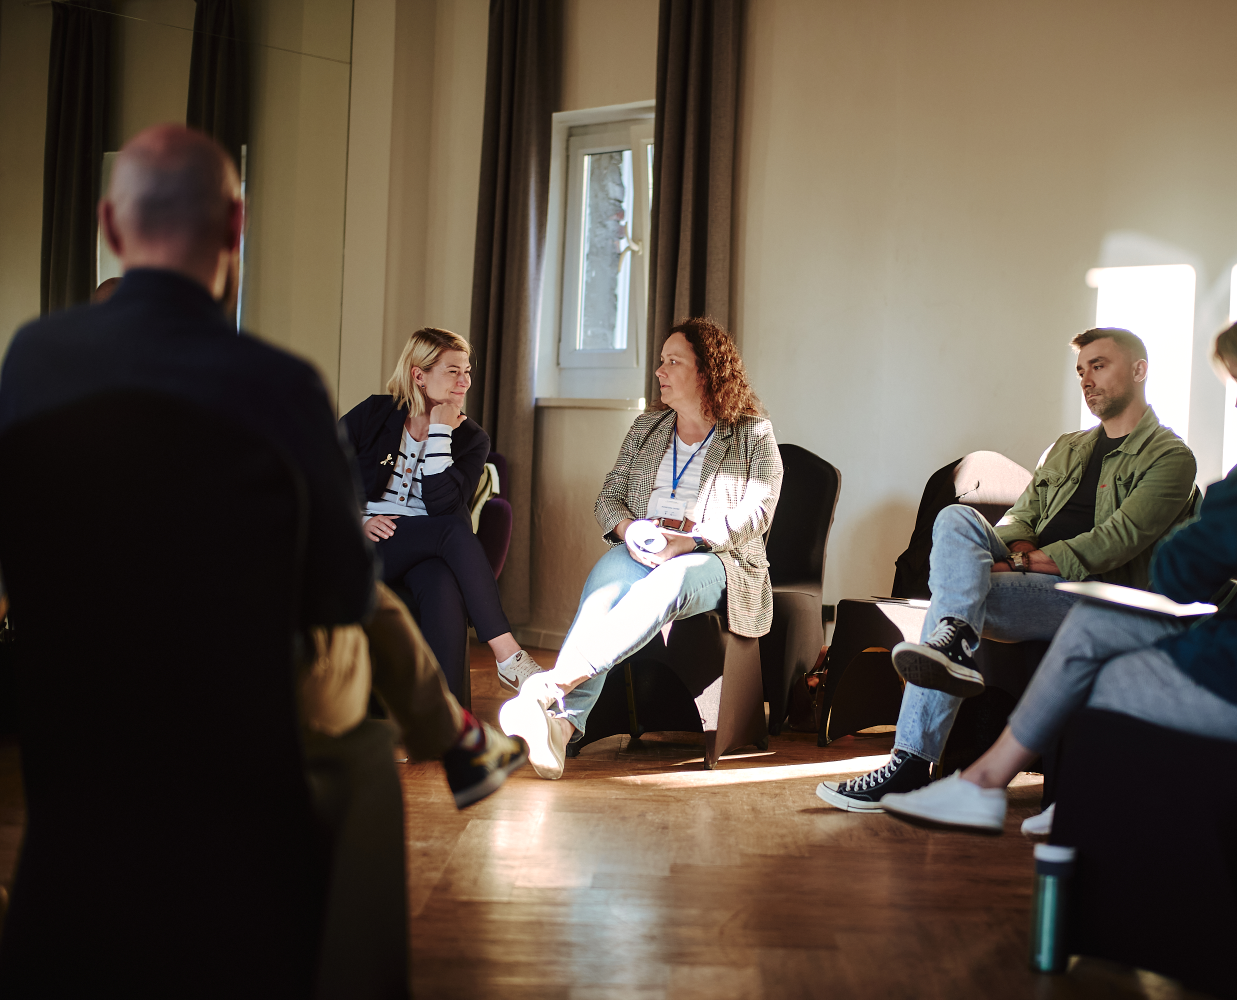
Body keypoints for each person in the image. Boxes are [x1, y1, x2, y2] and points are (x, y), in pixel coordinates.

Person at [0, 125, 521, 807]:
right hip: (234, 684)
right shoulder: (278, 380)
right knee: (361, 595)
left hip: (67, 682)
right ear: (235, 226)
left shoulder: (32, 356)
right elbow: (339, 569)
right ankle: (454, 737)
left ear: (111, 225)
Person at [878, 293, 1237, 831]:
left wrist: (1224, 505)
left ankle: (1001, 783)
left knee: (1091, 631)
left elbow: (1179, 572)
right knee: (962, 538)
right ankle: (996, 759)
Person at [816, 328, 1198, 814]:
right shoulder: (1067, 447)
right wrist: (1017, 548)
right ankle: (952, 640)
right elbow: (1021, 517)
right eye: (1081, 370)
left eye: (1099, 366)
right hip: (1032, 585)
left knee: (954, 598)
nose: (1086, 379)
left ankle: (911, 760)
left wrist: (1015, 562)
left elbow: (1113, 543)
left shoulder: (1170, 457)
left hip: (1097, 598)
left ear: (1140, 370)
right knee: (955, 518)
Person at [500, 317, 783, 779]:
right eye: (660, 360)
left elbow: (758, 511)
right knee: (602, 595)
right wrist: (628, 529)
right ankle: (562, 729)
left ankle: (548, 688)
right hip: (644, 545)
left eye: (673, 361)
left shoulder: (752, 432)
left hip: (715, 558)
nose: (659, 371)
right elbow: (608, 496)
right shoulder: (648, 426)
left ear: (706, 371)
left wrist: (691, 540)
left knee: (669, 582)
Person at [340, 327, 542, 696]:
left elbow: (443, 505)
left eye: (467, 371)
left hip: (429, 547)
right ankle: (508, 655)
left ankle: (452, 719)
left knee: (441, 585)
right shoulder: (374, 413)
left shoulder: (472, 438)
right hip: (367, 544)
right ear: (419, 375)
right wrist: (358, 518)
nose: (464, 381)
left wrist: (439, 434)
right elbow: (322, 471)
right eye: (452, 371)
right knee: (451, 532)